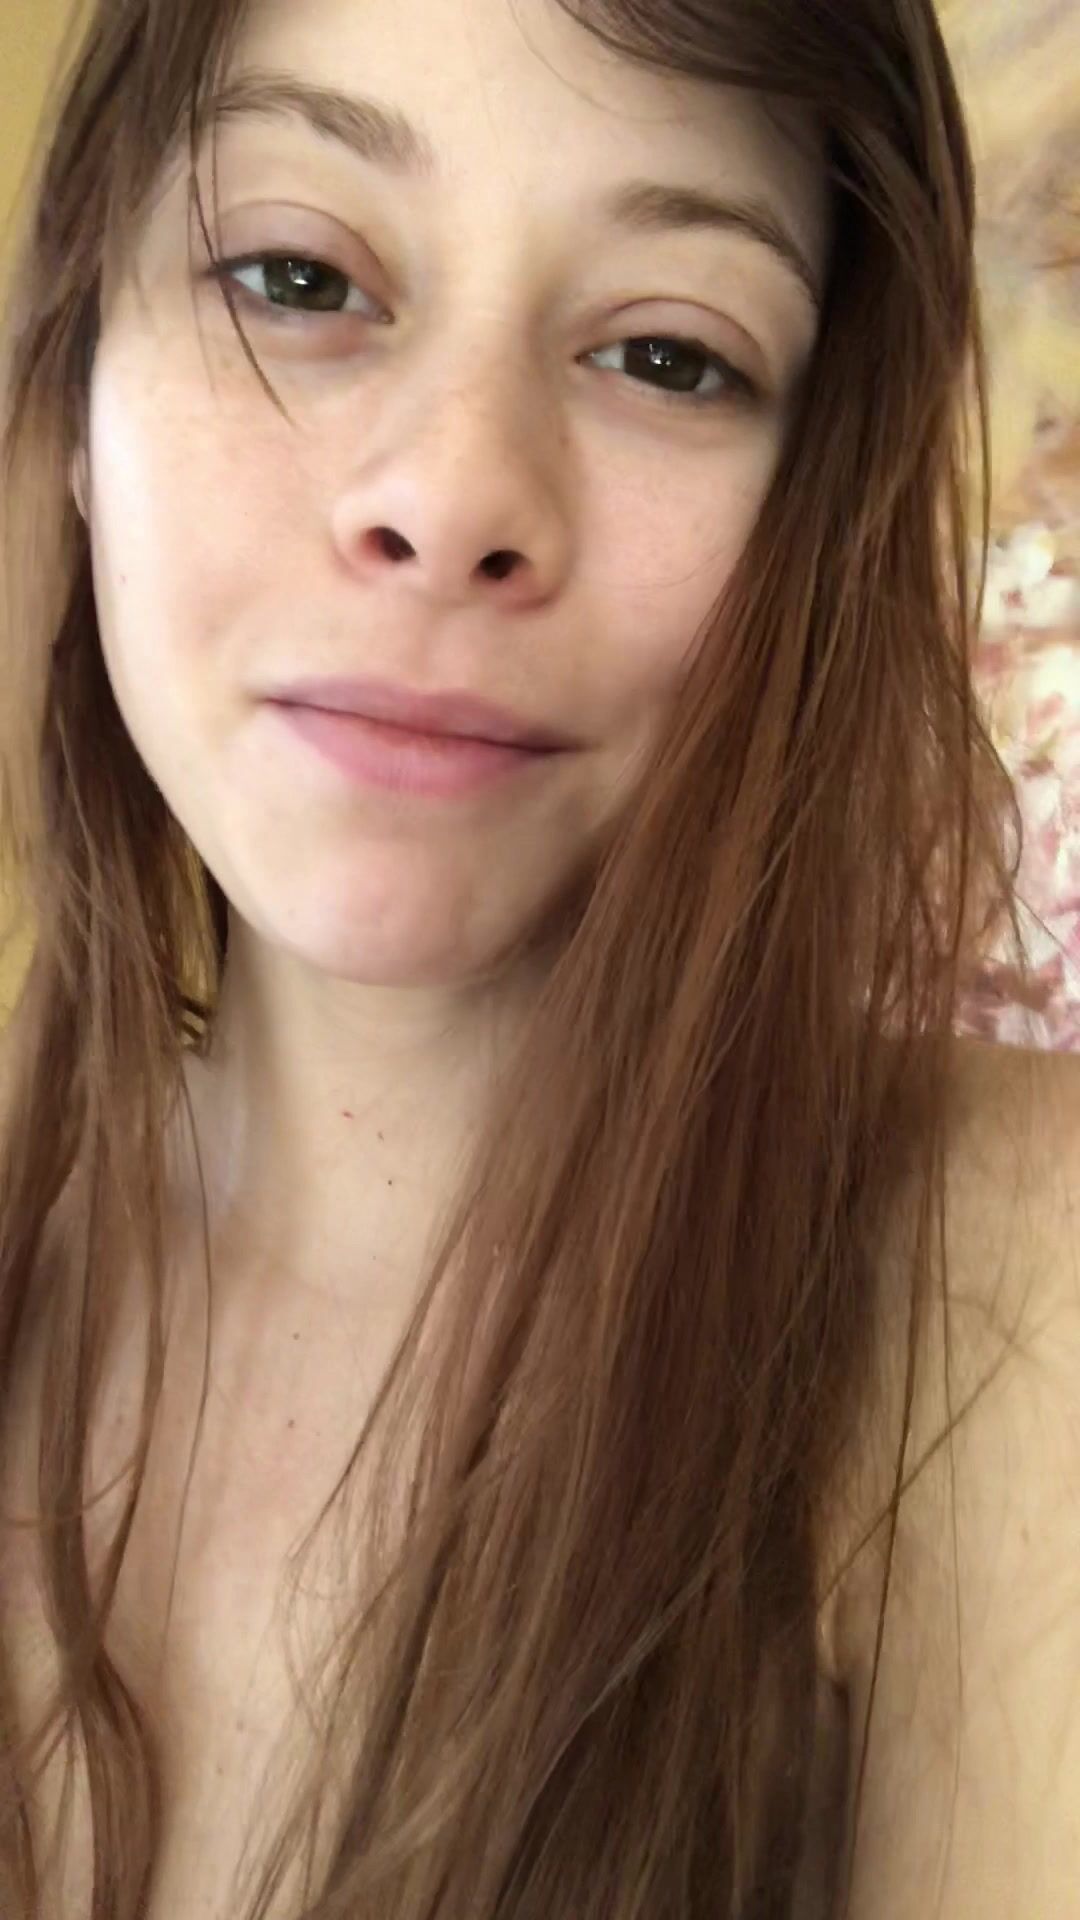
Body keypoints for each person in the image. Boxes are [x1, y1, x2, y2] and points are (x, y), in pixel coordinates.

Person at [1, 0, 1078, 1914]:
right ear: (72, 401)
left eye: (669, 354)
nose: (453, 500)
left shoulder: (1010, 1282)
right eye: (297, 276)